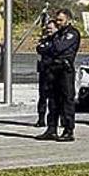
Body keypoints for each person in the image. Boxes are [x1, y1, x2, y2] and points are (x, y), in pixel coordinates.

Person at [36, 9, 81, 142]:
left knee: (67, 101)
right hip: (53, 71)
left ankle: (68, 130)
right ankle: (51, 129)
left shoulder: (72, 33)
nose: (58, 23)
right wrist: (48, 45)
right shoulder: (56, 34)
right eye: (57, 20)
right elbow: (40, 47)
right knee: (53, 101)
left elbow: (58, 48)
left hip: (65, 71)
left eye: (61, 20)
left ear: (68, 20)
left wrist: (49, 46)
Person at [35, 18, 58, 127]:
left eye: (50, 29)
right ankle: (41, 119)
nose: (48, 31)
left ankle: (58, 120)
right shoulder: (44, 39)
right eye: (47, 29)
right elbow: (39, 49)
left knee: (55, 98)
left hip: (54, 72)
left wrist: (47, 48)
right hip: (44, 71)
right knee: (42, 96)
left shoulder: (58, 40)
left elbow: (55, 49)